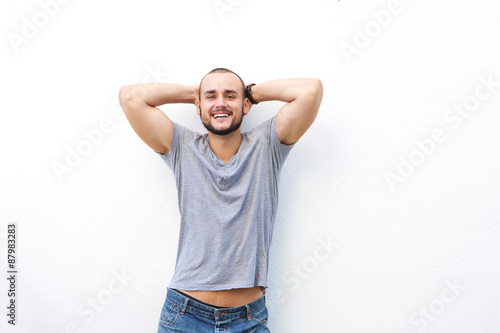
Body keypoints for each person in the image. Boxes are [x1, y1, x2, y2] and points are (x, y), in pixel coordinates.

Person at [119, 68, 323, 332]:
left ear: (245, 104)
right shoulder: (182, 146)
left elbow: (310, 90)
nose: (220, 104)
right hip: (184, 315)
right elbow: (130, 97)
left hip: (248, 320)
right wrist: (193, 93)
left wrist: (250, 91)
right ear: (199, 105)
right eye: (211, 96)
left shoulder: (267, 144)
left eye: (230, 96)